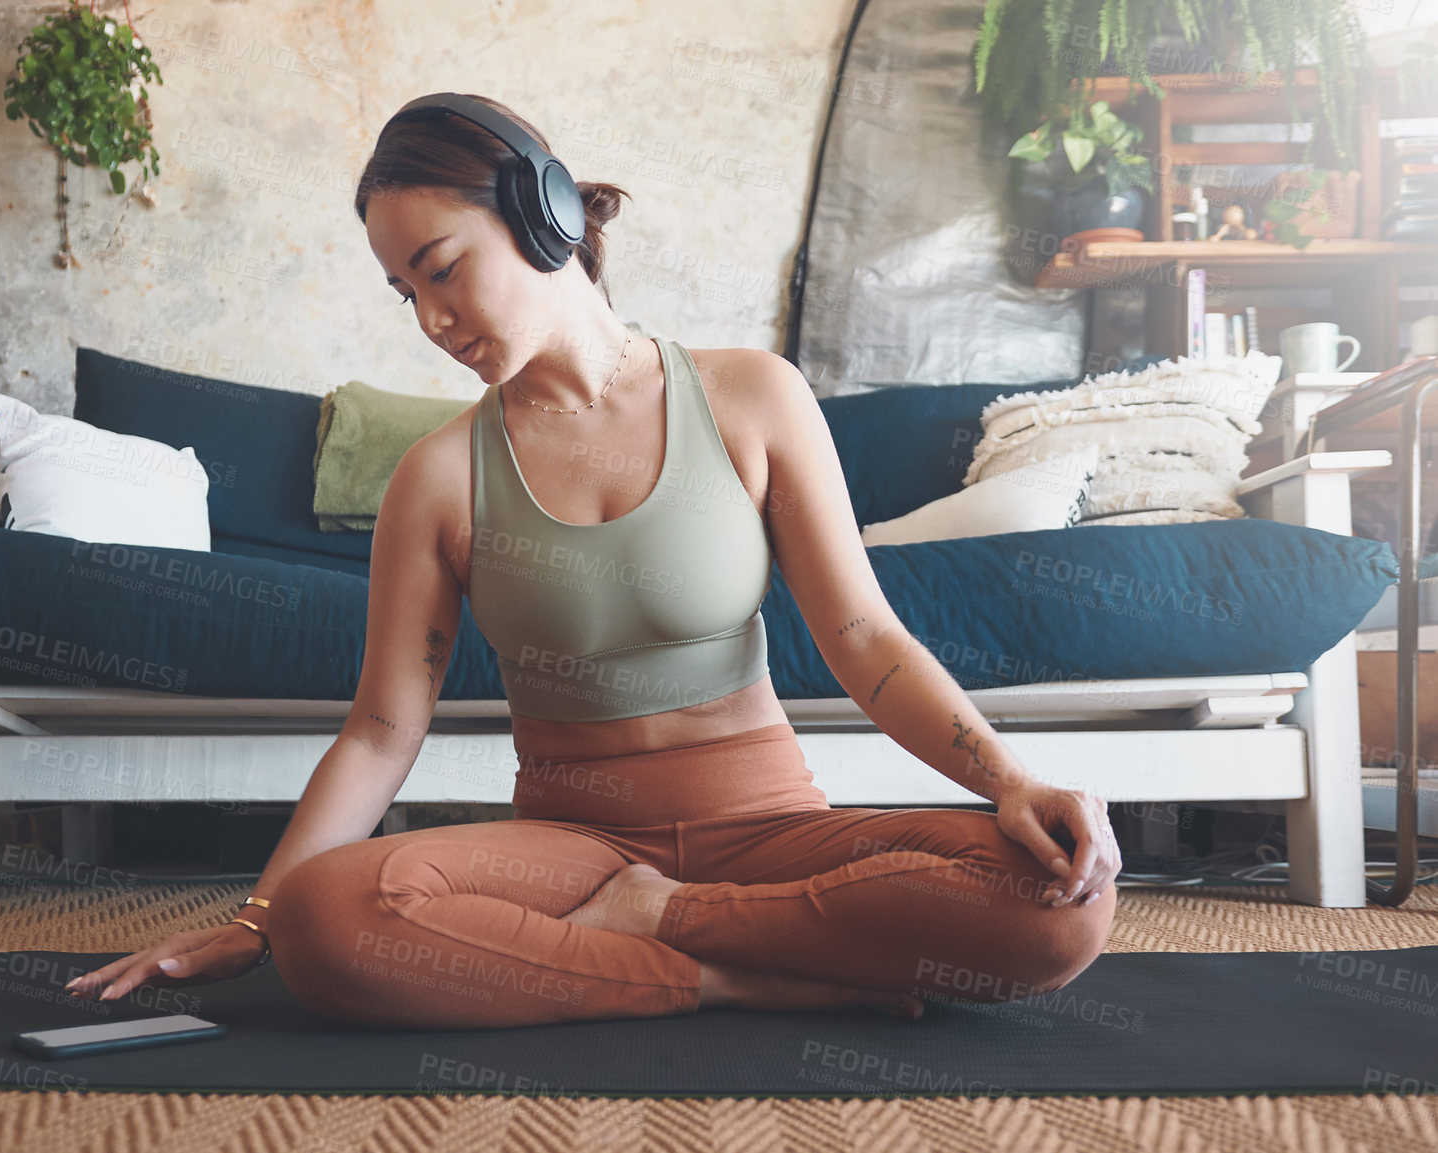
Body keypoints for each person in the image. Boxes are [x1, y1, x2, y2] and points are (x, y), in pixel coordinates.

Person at [68, 93, 1121, 1029]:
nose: (433, 321)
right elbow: (383, 730)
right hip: (571, 849)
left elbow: (865, 640)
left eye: (442, 270)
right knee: (328, 919)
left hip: (770, 828)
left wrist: (1012, 780)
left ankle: (664, 925)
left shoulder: (752, 396)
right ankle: (730, 979)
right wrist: (259, 917)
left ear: (545, 215)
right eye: (406, 293)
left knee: (1055, 899)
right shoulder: (437, 479)